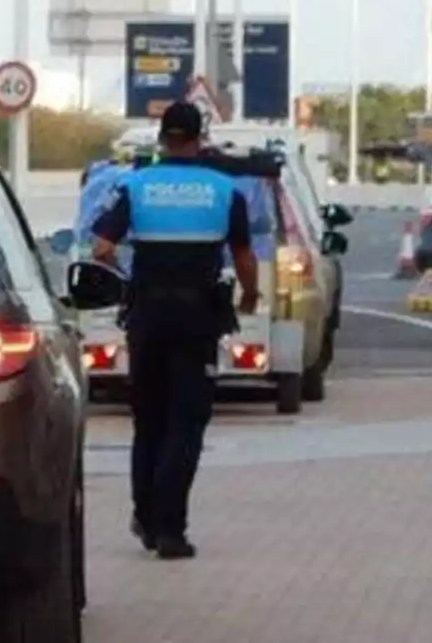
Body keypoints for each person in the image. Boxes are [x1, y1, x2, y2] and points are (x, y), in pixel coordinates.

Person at [89, 100, 260, 560]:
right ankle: (170, 529)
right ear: (200, 137)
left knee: (149, 421)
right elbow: (244, 256)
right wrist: (249, 296)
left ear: (163, 138)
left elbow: (101, 246)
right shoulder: (226, 192)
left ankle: (145, 517)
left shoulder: (134, 186)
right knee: (185, 425)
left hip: (146, 318)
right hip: (197, 321)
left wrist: (128, 274)